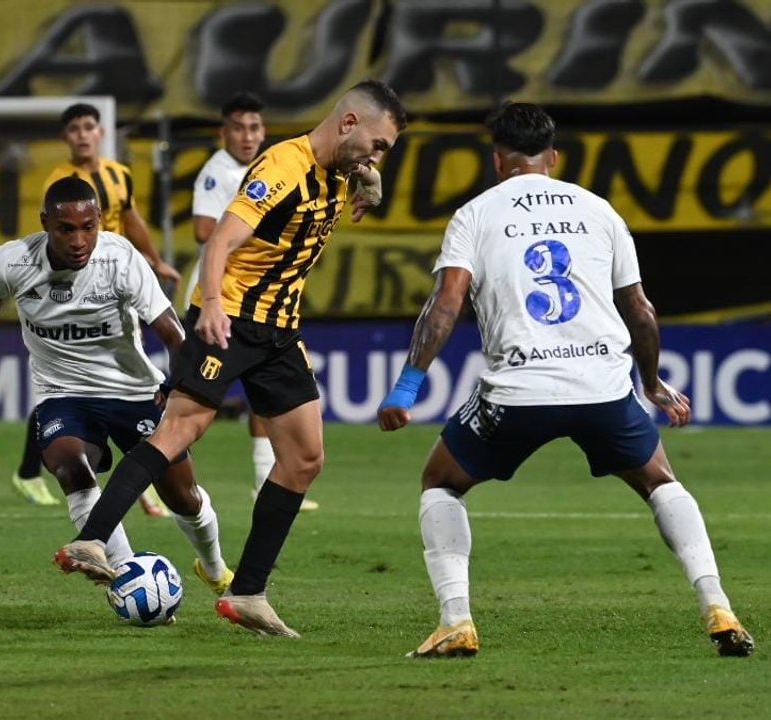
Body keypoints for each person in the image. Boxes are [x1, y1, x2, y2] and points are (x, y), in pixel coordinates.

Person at [377, 102, 754, 659]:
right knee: (660, 481)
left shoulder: (476, 214)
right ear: (552, 157)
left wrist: (407, 386)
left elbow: (444, 306)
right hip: (603, 386)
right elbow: (641, 311)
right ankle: (718, 606)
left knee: (441, 481)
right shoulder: (600, 210)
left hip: (520, 391)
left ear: (497, 159)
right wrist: (651, 383)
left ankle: (456, 621)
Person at [54, 79, 408, 637]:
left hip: (280, 332)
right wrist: (212, 304)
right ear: (348, 124)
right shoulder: (281, 168)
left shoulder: (341, 169)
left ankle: (247, 593)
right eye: (378, 143)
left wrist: (370, 178)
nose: (377, 156)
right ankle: (91, 538)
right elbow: (218, 240)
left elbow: (357, 176)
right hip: (232, 317)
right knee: (181, 430)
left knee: (307, 458)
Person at [0, 177, 233, 598]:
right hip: (62, 393)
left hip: (133, 392)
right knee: (69, 466)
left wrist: (176, 385)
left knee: (183, 497)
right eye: (66, 229)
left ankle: (214, 568)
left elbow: (173, 332)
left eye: (89, 226)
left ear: (100, 221)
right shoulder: (12, 262)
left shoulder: (120, 259)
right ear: (45, 223)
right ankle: (125, 577)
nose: (79, 239)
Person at [12, 102, 181, 516]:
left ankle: (137, 479)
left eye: (89, 126)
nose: (83, 135)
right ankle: (36, 470)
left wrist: (154, 261)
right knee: (71, 383)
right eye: (74, 129)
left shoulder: (118, 173)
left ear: (100, 132)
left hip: (121, 284)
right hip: (77, 287)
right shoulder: (60, 182)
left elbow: (132, 217)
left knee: (121, 374)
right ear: (65, 137)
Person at [186, 91, 318, 511]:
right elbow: (205, 230)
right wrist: (247, 232)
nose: (248, 136)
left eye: (255, 127)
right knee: (191, 406)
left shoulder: (275, 168)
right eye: (239, 128)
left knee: (265, 397)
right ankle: (154, 464)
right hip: (221, 297)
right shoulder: (218, 172)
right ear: (223, 132)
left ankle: (265, 478)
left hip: (256, 301)